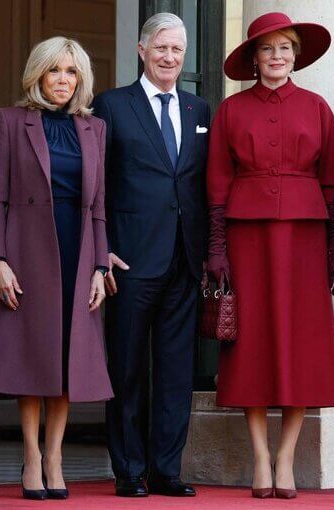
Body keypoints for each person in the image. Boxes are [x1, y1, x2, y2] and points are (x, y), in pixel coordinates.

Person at [206, 11, 334, 500]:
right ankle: (259, 458)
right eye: (267, 49)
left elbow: (333, 182)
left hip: (306, 238)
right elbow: (218, 184)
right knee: (250, 346)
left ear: (296, 55)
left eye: (285, 48)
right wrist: (217, 249)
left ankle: (285, 458)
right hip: (247, 240)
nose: (277, 57)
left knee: (300, 346)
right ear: (253, 58)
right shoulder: (230, 110)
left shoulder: (317, 107)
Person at [0, 36, 112, 501]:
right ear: (38, 75)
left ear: (81, 79)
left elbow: (99, 206)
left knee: (67, 357)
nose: (63, 80)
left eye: (71, 72)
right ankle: (31, 456)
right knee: (33, 355)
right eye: (54, 71)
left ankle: (55, 457)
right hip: (27, 252)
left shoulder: (95, 129)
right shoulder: (12, 122)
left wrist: (100, 264)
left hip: (78, 250)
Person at [92, 12, 210, 498]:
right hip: (130, 260)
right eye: (160, 48)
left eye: (177, 50)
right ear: (142, 50)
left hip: (185, 259)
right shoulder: (112, 106)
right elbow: (95, 185)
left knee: (176, 371)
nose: (169, 58)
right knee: (128, 368)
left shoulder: (199, 109)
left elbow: (200, 184)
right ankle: (129, 469)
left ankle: (167, 469)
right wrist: (104, 250)